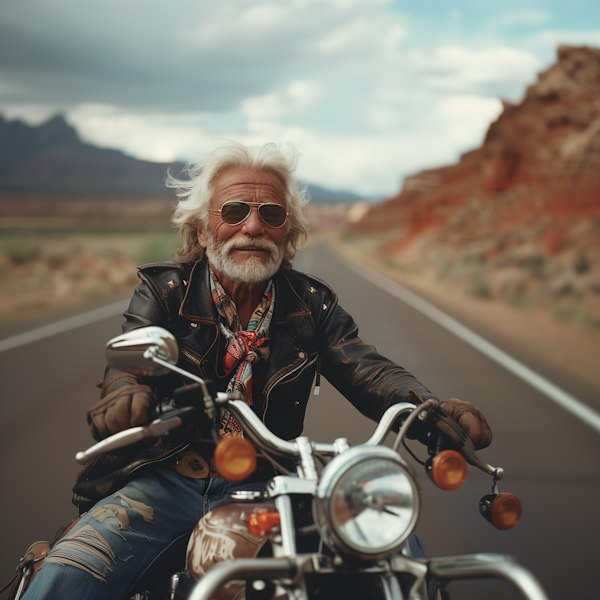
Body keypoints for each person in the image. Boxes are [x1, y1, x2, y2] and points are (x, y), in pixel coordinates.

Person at [23, 141, 492, 599]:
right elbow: (130, 359)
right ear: (204, 231)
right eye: (234, 212)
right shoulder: (166, 291)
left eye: (271, 214)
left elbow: (366, 367)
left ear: (287, 233)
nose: (253, 226)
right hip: (165, 478)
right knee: (68, 575)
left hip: (273, 484)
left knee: (395, 556)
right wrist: (126, 392)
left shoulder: (312, 305)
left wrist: (424, 405)